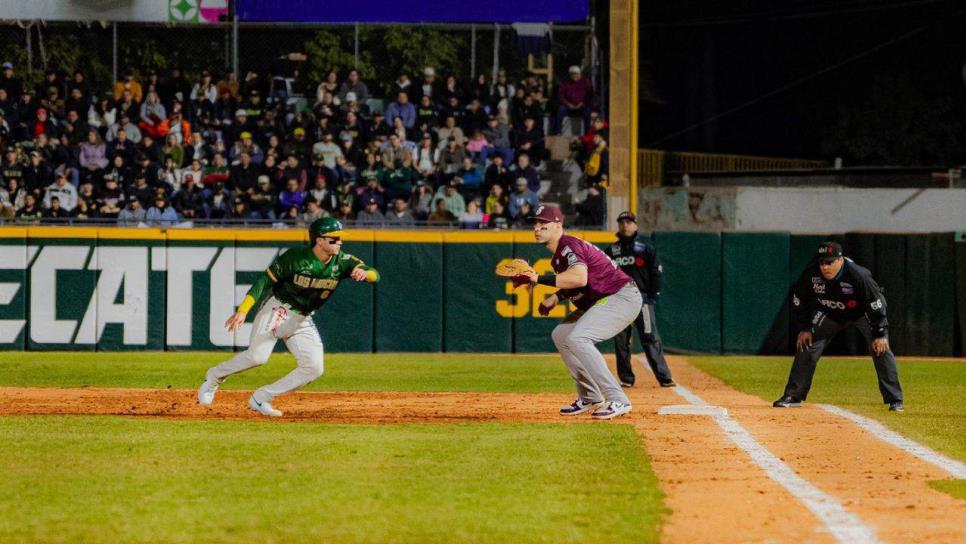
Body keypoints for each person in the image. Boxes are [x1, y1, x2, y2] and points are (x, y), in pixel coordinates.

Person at [198, 218, 380, 417]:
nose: (340, 242)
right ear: (319, 240)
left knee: (314, 368)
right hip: (278, 309)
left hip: (302, 318)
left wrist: (364, 274)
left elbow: (374, 274)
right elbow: (264, 281)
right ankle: (214, 377)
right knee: (257, 357)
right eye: (335, 239)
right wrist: (243, 310)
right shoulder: (295, 257)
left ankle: (262, 397)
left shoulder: (343, 261)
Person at [513, 205, 641, 419]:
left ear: (558, 225)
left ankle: (618, 398)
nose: (537, 227)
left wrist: (538, 279)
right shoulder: (560, 253)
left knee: (579, 337)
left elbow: (579, 278)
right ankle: (590, 396)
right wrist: (557, 296)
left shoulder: (568, 246)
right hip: (606, 298)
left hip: (621, 297)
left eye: (543, 223)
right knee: (561, 335)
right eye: (535, 223)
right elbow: (582, 280)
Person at [774, 241, 904, 411]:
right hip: (831, 312)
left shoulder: (859, 275)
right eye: (822, 262)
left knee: (880, 348)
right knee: (807, 343)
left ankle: (895, 400)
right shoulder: (811, 274)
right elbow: (799, 301)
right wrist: (806, 328)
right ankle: (793, 396)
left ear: (840, 260)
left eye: (829, 262)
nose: (825, 267)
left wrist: (880, 333)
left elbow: (876, 305)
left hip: (862, 313)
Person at [605, 212, 675, 388]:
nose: (625, 225)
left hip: (642, 300)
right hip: (619, 301)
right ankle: (626, 378)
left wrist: (653, 296)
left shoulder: (646, 247)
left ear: (635, 225)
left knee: (649, 336)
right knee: (621, 341)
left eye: (629, 222)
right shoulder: (612, 250)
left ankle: (664, 377)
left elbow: (656, 272)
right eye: (621, 222)